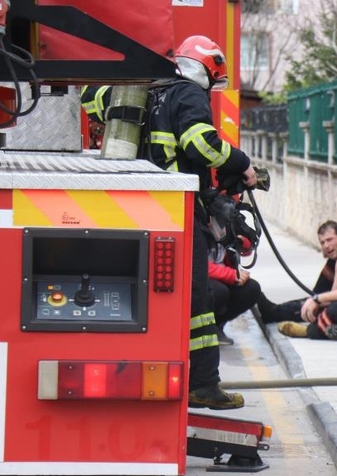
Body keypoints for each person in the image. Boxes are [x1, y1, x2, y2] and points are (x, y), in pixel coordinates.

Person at [81, 35, 253, 409]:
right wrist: (244, 164)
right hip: (176, 210)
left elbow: (90, 101)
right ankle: (204, 384)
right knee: (196, 298)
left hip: (137, 205)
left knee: (150, 296)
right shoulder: (189, 94)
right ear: (207, 69)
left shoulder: (148, 90)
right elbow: (201, 145)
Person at [208, 240, 276, 345]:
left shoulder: (221, 223)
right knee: (220, 292)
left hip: (221, 274)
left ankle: (217, 325)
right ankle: (203, 329)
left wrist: (242, 239)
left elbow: (246, 250)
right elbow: (196, 264)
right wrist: (230, 275)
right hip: (200, 279)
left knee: (251, 289)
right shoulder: (197, 227)